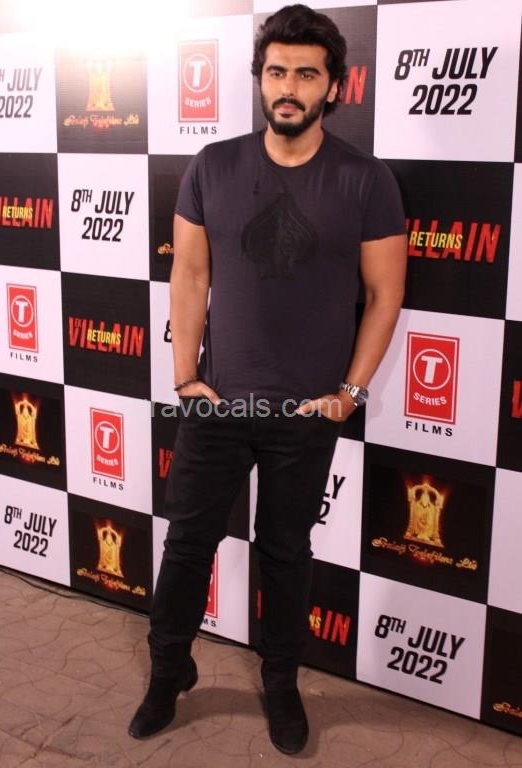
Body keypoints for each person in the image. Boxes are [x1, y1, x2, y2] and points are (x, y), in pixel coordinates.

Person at [129, 3, 407, 754]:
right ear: (260, 79)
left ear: (333, 87)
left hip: (307, 412)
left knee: (284, 553)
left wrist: (348, 394)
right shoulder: (213, 165)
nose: (289, 87)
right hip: (217, 404)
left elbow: (384, 294)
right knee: (187, 545)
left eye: (306, 75)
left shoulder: (365, 180)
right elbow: (189, 276)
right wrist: (184, 377)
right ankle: (167, 671)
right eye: (277, 72)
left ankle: (280, 681)